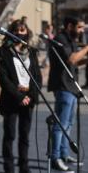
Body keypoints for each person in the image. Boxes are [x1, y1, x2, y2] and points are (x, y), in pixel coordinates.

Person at [0, 19, 42, 173]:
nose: (20, 33)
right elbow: (4, 79)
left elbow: (37, 77)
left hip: (28, 98)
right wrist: (19, 96)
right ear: (11, 32)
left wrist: (30, 94)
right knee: (9, 135)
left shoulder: (32, 51)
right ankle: (8, 168)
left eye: (23, 30)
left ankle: (24, 166)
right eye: (17, 30)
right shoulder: (3, 51)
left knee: (25, 136)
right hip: (11, 99)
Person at [48, 16, 87, 171]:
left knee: (69, 123)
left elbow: (76, 61)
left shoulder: (70, 39)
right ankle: (55, 158)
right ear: (70, 26)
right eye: (79, 27)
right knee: (61, 125)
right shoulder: (61, 39)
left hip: (72, 87)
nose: (82, 30)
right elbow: (71, 59)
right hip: (63, 87)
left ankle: (64, 154)